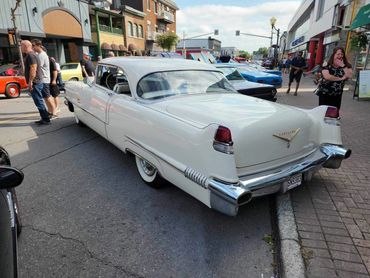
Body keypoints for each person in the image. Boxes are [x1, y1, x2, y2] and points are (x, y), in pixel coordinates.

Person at [21, 40, 50, 125]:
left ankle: (45, 119)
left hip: (35, 82)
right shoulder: (33, 54)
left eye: (21, 46)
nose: (21, 48)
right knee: (38, 100)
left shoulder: (31, 55)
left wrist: (30, 82)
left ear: (25, 46)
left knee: (38, 101)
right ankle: (44, 118)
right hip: (37, 81)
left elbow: (33, 68)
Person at [315, 47, 352, 113]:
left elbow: (349, 75)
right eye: (338, 54)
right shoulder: (326, 64)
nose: (340, 56)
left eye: (342, 54)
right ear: (334, 55)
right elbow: (327, 76)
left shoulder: (346, 65)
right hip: (325, 93)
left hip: (337, 94)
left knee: (334, 113)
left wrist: (343, 66)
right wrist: (341, 78)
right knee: (323, 113)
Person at [31, 39, 56, 117]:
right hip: (43, 79)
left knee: (48, 97)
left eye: (33, 46)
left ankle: (54, 113)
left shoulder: (42, 55)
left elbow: (37, 67)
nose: (32, 47)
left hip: (44, 79)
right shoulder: (39, 54)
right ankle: (50, 112)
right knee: (45, 97)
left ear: (38, 45)